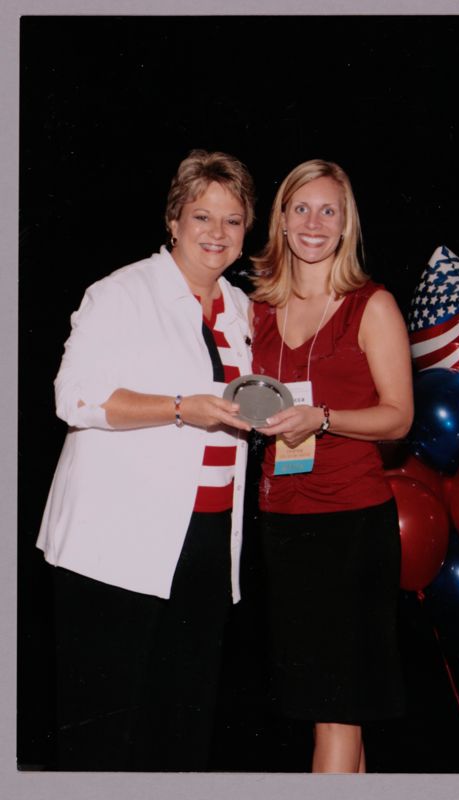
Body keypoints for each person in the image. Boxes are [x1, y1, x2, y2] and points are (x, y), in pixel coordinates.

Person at [36, 149, 256, 771]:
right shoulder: (120, 292)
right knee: (105, 733)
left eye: (233, 220)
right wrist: (184, 407)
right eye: (202, 216)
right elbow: (75, 397)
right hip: (116, 544)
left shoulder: (240, 311)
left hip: (207, 541)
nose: (216, 233)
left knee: (181, 726)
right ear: (173, 221)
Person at [249, 159, 413, 773]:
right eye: (301, 208)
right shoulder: (257, 311)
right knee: (335, 709)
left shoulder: (371, 306)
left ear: (346, 226)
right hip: (282, 525)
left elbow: (398, 418)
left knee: (336, 709)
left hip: (351, 524)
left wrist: (323, 417)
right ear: (282, 220)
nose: (314, 222)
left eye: (329, 210)